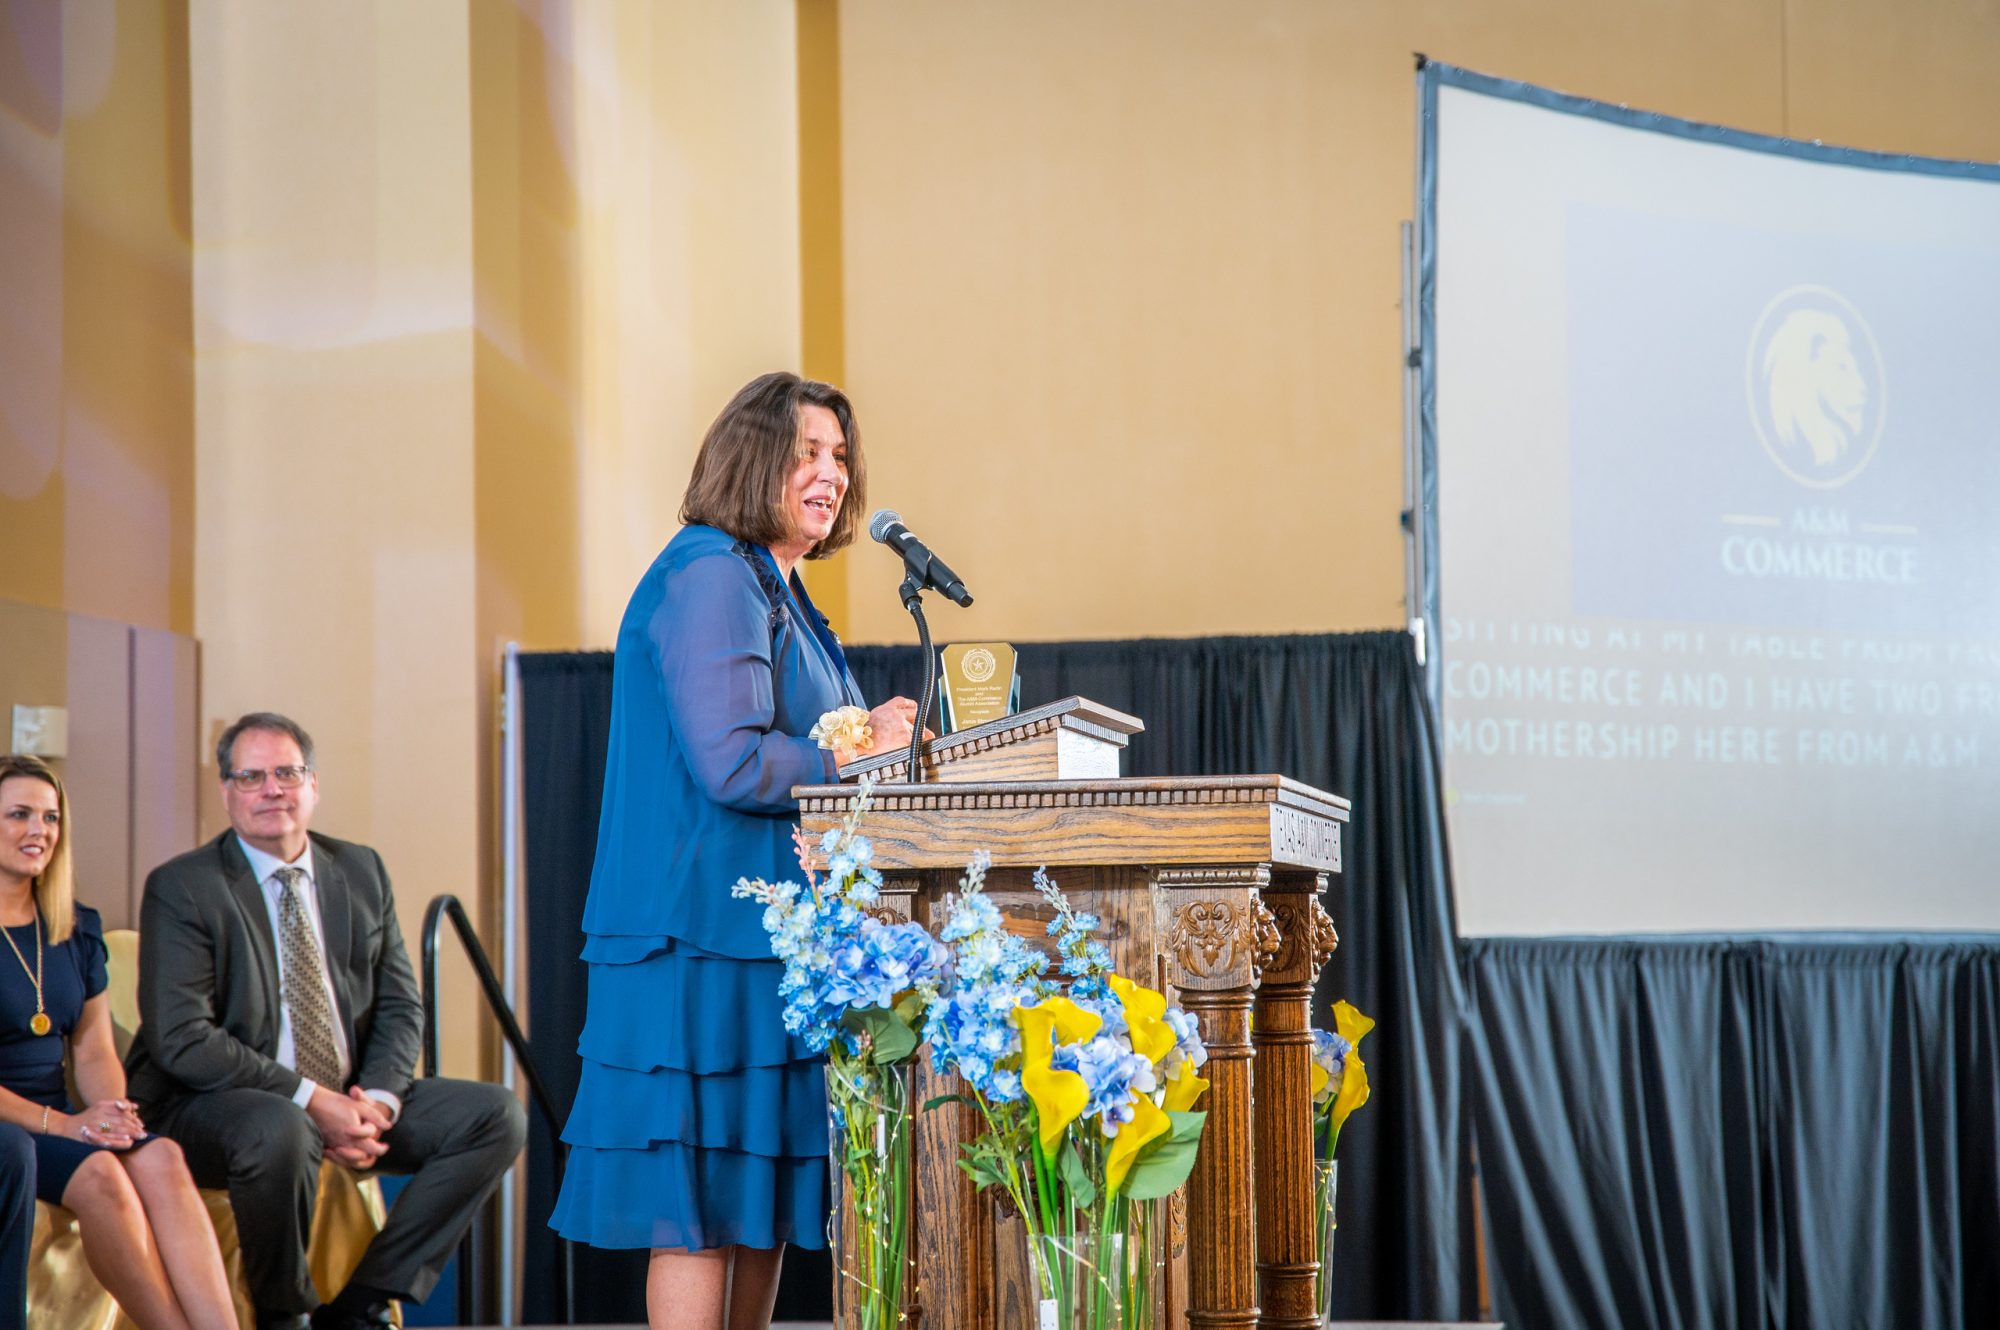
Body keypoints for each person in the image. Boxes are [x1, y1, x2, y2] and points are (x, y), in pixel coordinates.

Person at [550, 371, 926, 1329]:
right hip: (699, 941)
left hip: (761, 939)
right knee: (701, 1214)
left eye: (840, 456)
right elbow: (731, 764)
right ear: (752, 460)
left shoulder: (780, 587)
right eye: (807, 452)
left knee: (751, 1209)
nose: (830, 473)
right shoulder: (713, 572)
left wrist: (869, 740)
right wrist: (860, 745)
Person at [126, 715, 528, 1330]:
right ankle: (283, 1313)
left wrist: (380, 1105)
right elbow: (184, 1041)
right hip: (216, 1104)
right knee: (282, 1126)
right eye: (252, 776)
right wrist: (316, 1102)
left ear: (313, 785)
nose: (272, 790)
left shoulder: (360, 870)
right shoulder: (184, 887)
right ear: (227, 790)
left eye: (287, 773)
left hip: (348, 1094)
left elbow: (399, 1005)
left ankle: (362, 1305)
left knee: (495, 1114)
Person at [0, 755, 236, 1330]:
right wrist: (69, 1127)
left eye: (51, 817)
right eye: (19, 814)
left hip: (62, 1113)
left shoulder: (76, 927)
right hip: (15, 1122)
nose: (40, 831)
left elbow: (93, 1050)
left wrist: (112, 1113)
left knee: (160, 1155)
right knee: (103, 1176)